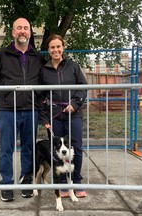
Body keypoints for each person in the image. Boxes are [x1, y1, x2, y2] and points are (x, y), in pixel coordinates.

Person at [0, 17, 44, 202]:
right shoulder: (2, 55)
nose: (22, 31)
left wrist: (39, 102)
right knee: (6, 149)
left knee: (28, 148)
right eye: (19, 28)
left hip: (31, 110)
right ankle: (6, 184)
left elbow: (42, 81)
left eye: (26, 28)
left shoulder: (37, 57)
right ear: (13, 32)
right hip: (7, 110)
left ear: (30, 32)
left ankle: (26, 181)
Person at [39, 34, 87, 198]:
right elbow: (40, 96)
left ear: (63, 48)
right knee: (57, 151)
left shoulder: (73, 66)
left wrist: (75, 103)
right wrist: (44, 118)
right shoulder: (44, 70)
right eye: (52, 47)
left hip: (73, 115)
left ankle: (76, 181)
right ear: (48, 50)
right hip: (54, 116)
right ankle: (61, 185)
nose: (55, 50)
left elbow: (83, 87)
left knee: (76, 149)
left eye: (58, 46)